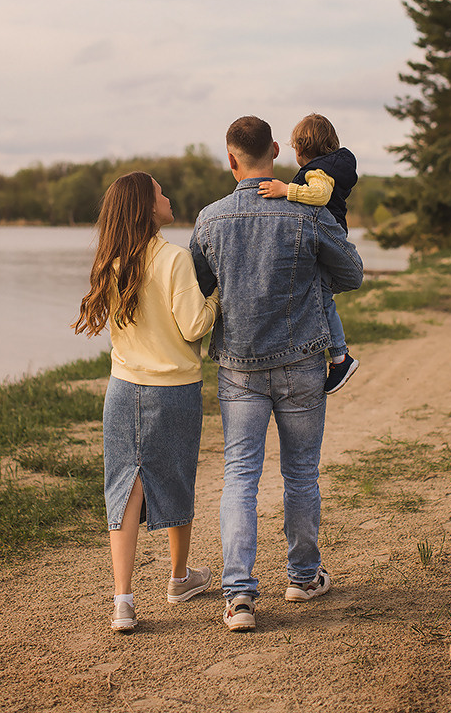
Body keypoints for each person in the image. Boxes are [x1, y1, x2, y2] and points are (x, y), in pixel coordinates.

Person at [190, 116, 363, 632]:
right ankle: (302, 576)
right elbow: (351, 272)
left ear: (230, 159)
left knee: (240, 476)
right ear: (275, 151)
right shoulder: (303, 211)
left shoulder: (209, 219)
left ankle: (239, 597)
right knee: (301, 472)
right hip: (303, 360)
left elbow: (198, 287)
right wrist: (312, 272)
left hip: (239, 368)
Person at [74, 172, 219, 633]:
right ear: (146, 206)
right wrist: (218, 296)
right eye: (160, 192)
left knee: (124, 488)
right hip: (173, 391)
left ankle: (123, 601)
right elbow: (195, 325)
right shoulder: (174, 258)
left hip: (122, 390)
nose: (168, 196)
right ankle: (179, 578)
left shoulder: (111, 261)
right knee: (176, 479)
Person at [258, 112, 360, 395]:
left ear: (301, 149)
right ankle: (330, 350)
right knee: (319, 292)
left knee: (323, 297)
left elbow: (320, 196)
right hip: (330, 236)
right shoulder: (334, 166)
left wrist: (285, 189)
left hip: (325, 238)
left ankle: (340, 357)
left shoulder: (318, 172)